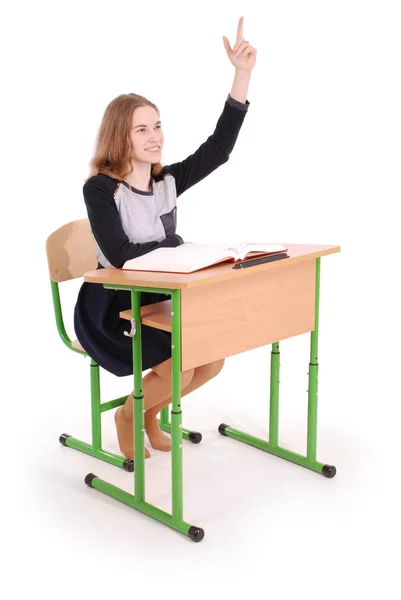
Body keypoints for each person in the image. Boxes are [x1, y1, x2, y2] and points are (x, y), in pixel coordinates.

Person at [74, 16, 257, 460]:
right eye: (142, 129)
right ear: (121, 135)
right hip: (111, 304)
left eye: (157, 126)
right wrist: (175, 247)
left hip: (156, 297)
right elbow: (119, 255)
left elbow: (219, 149)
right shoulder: (101, 188)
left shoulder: (166, 181)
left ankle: (148, 414)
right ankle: (127, 417)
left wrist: (242, 75)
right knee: (185, 360)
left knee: (210, 358)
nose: (155, 137)